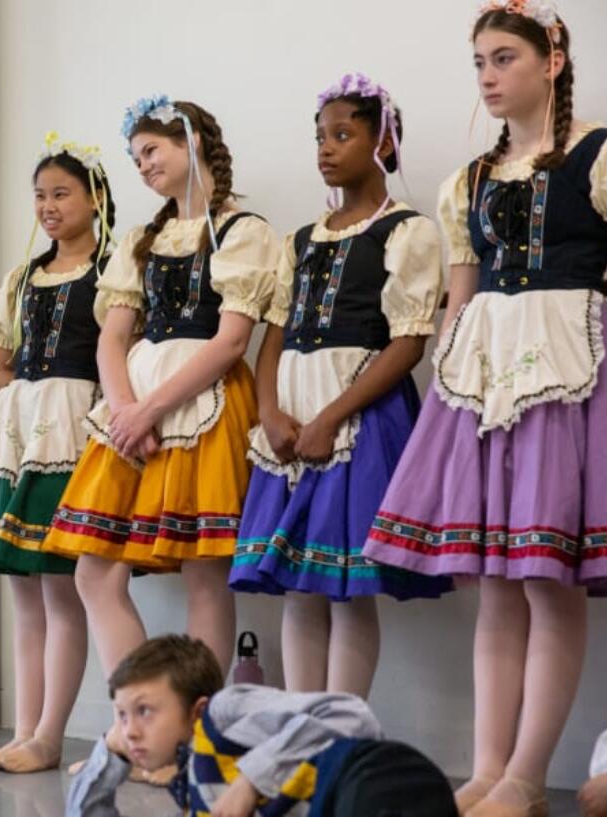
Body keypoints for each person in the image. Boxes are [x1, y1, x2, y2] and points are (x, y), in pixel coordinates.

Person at [361, 4, 607, 814]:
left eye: (503, 57)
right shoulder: (467, 181)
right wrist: (447, 380)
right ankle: (485, 765)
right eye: (479, 60)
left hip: (568, 363)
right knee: (496, 584)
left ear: (551, 61)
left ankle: (526, 774)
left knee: (548, 579)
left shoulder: (603, 154)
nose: (487, 75)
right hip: (482, 375)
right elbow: (460, 296)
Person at [41, 96, 279, 683]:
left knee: (204, 571)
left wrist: (149, 409)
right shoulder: (140, 240)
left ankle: (192, 726)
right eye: (135, 157)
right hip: (134, 405)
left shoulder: (242, 233)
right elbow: (111, 338)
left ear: (191, 141)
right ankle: (142, 714)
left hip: (202, 399)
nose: (142, 165)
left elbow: (230, 342)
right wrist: (125, 411)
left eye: (151, 151)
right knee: (94, 572)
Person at [229, 74, 450, 698]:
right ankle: (304, 726)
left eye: (343, 134)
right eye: (320, 136)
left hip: (360, 415)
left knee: (347, 585)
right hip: (292, 416)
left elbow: (408, 341)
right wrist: (270, 411)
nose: (325, 147)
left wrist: (331, 417)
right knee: (300, 579)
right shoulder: (299, 241)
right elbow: (273, 334)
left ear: (382, 143)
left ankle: (342, 728)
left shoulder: (408, 231)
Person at [0, 133, 115, 773]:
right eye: (39, 194)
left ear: (93, 199)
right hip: (20, 432)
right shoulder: (23, 277)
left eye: (61, 193)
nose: (47, 205)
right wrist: (22, 399)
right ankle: (24, 731)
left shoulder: (112, 270)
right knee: (20, 589)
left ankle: (50, 734)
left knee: (62, 588)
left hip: (73, 432)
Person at [66, 634, 456, 817]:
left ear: (196, 711)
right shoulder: (191, 788)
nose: (130, 729)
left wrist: (249, 783)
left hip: (380, 779)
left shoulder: (225, 712)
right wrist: (110, 750)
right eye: (120, 715)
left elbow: (352, 715)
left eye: (145, 711)